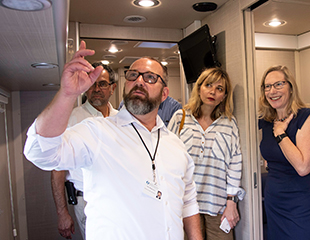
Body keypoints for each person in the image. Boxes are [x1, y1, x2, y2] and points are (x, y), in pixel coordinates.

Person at [23, 41, 202, 240]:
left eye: (150, 77)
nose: (140, 81)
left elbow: (188, 202)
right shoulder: (98, 132)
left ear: (164, 94)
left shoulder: (175, 146)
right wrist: (67, 94)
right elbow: (39, 152)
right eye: (133, 75)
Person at [168, 67, 245, 240]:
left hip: (217, 207)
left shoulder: (229, 123)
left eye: (220, 89)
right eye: (208, 85)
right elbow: (167, 159)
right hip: (185, 205)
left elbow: (235, 163)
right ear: (199, 88)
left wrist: (231, 202)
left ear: (224, 96)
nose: (213, 92)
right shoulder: (179, 118)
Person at [51, 62, 118, 239]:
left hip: (119, 199)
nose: (96, 88)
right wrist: (62, 213)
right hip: (87, 200)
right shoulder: (71, 119)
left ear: (113, 88)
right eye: (91, 83)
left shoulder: (121, 120)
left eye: (102, 83)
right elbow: (58, 170)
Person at [258, 65, 310, 240]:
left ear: (291, 87)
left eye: (278, 84)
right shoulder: (266, 121)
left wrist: (280, 134)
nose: (272, 91)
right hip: (274, 197)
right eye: (267, 86)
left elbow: (303, 167)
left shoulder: (307, 117)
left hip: (299, 200)